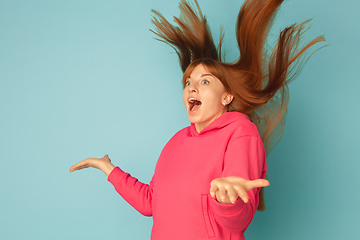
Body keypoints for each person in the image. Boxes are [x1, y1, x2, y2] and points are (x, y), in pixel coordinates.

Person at [70, 0, 324, 239]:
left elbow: (237, 221)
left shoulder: (240, 132)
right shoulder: (176, 142)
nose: (192, 88)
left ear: (226, 97)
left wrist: (229, 200)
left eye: (205, 82)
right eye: (188, 82)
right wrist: (108, 169)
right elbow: (151, 203)